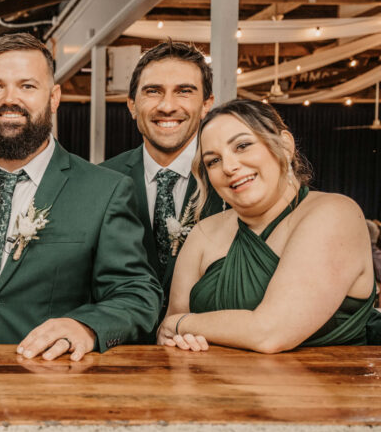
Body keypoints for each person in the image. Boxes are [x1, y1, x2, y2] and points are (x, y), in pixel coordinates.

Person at [0, 33, 162, 361]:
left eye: (27, 86)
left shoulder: (104, 191)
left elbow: (137, 294)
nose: (9, 99)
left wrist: (86, 327)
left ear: (54, 96)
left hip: (51, 385)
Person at [158, 99, 377, 352]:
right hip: (211, 386)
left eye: (242, 146)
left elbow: (270, 332)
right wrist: (178, 331)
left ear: (284, 144)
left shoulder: (336, 214)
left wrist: (183, 323)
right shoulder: (204, 232)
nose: (229, 167)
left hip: (322, 387)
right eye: (213, 161)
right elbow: (168, 334)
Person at [101, 41, 225, 318]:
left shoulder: (232, 179)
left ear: (207, 105)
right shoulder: (101, 180)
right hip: (118, 350)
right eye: (153, 91)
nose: (167, 106)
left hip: (208, 347)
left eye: (184, 92)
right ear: (132, 105)